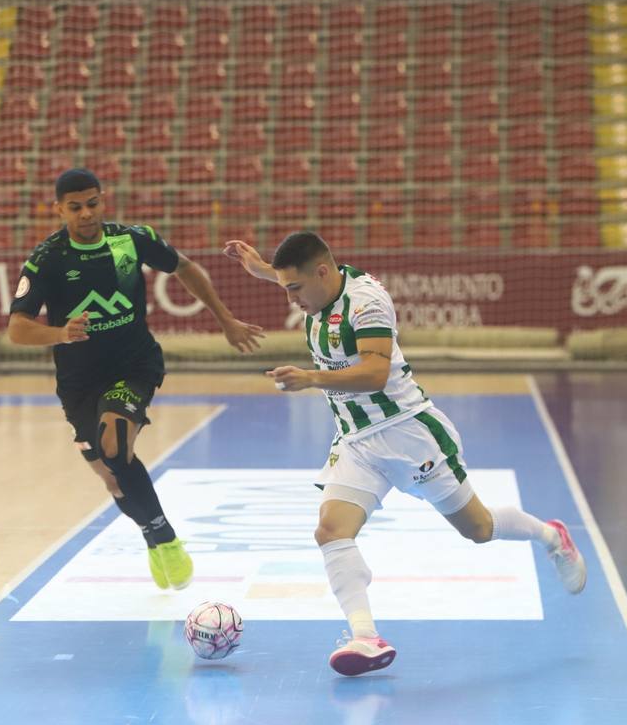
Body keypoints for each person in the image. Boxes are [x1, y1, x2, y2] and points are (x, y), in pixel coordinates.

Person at [224, 231, 587, 677]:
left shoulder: (367, 303)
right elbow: (294, 281)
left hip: (408, 434)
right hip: (356, 440)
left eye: (294, 288)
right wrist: (260, 267)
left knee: (478, 528)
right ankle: (366, 636)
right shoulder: (318, 290)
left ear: (322, 272)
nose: (292, 298)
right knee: (331, 530)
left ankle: (552, 536)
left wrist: (312, 378)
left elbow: (375, 373)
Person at [8, 168, 263, 590]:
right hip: (78, 383)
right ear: (58, 210)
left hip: (134, 366)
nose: (86, 213)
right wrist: (60, 333)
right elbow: (17, 328)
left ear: (102, 200)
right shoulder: (47, 259)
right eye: (75, 207)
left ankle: (167, 540)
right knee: (112, 476)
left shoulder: (131, 239)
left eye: (93, 203)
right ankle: (153, 534)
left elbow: (185, 267)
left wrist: (226, 319)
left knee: (115, 440)